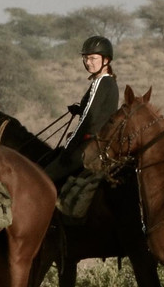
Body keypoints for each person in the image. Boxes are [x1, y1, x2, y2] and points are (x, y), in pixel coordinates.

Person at [44, 36, 119, 186]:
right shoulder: (108, 82)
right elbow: (99, 112)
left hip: (89, 144)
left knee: (45, 177)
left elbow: (88, 118)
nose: (88, 62)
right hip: (97, 143)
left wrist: (70, 147)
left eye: (93, 58)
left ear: (106, 60)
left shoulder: (101, 82)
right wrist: (79, 109)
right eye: (85, 58)